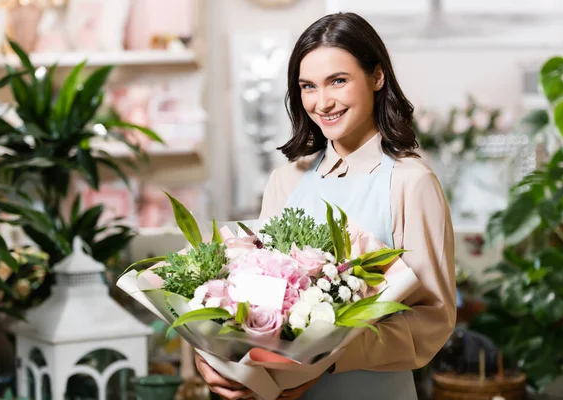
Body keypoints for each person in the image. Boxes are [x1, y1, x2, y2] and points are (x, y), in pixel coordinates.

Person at [195, 12, 456, 400]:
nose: (322, 102)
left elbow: (433, 320)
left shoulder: (410, 183)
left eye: (338, 81)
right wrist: (214, 358)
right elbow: (254, 293)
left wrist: (327, 357)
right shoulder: (286, 180)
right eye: (308, 86)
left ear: (377, 77)